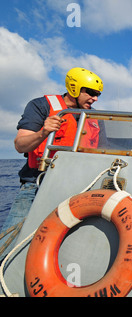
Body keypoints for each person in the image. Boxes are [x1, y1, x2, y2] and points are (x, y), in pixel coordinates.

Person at [0, 67, 103, 261]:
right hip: (37, 183)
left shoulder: (95, 118)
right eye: (91, 93)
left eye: (98, 94)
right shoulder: (41, 106)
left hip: (76, 187)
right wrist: (43, 132)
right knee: (9, 239)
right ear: (74, 88)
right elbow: (20, 145)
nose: (95, 98)